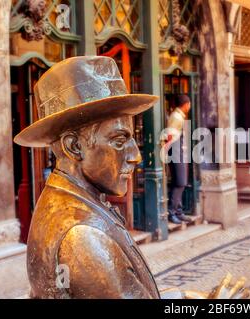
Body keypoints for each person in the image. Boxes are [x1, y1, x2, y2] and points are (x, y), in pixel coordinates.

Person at [14, 56, 160, 298]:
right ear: (74, 146)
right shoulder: (83, 238)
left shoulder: (70, 200)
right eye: (119, 140)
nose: (136, 156)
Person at [164, 95, 192, 224]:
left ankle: (178, 211)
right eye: (189, 104)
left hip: (179, 150)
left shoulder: (179, 116)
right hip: (175, 150)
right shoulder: (176, 117)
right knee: (180, 182)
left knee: (180, 182)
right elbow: (170, 136)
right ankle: (172, 212)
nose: (190, 106)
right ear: (186, 104)